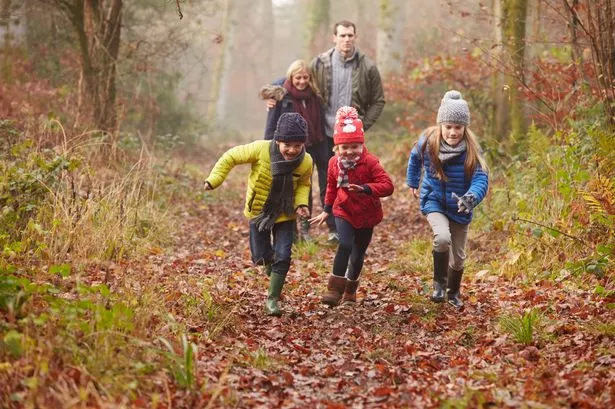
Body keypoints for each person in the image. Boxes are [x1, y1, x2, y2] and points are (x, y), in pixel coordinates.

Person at [268, 20, 386, 244]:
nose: (346, 39)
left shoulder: (367, 66)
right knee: (310, 178)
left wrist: (361, 125)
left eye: (350, 35)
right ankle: (304, 228)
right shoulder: (320, 63)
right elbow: (295, 78)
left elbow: (378, 100)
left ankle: (337, 228)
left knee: (340, 181)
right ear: (334, 38)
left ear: (355, 37)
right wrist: (274, 93)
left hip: (349, 138)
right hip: (320, 133)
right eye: (342, 35)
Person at [204, 113, 313, 316]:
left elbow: (303, 185)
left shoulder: (306, 161)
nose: (292, 150)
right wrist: (214, 179)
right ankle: (272, 269)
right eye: (287, 144)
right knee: (260, 257)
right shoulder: (260, 149)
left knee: (284, 255)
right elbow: (231, 157)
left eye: (297, 145)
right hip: (259, 212)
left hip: (286, 214)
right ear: (278, 140)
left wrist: (301, 204)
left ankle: (272, 300)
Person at [406, 90, 489, 308]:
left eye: (458, 127)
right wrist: (413, 182)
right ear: (441, 125)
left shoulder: (471, 150)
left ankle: (453, 292)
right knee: (442, 238)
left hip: (461, 206)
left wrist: (471, 197)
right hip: (434, 200)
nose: (453, 132)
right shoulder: (428, 142)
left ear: (465, 128)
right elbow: (414, 158)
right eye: (448, 126)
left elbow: (481, 179)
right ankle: (439, 287)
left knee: (459, 257)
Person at [310, 106, 394, 306]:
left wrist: (366, 188)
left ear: (361, 145)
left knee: (357, 255)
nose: (349, 151)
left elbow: (387, 186)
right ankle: (334, 289)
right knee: (345, 244)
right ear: (337, 148)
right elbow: (331, 187)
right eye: (344, 148)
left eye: (355, 147)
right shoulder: (333, 164)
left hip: (367, 213)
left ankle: (350, 290)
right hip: (343, 210)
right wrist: (326, 210)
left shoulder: (370, 162)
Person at [259, 60, 330, 242]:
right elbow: (270, 126)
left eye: (305, 77)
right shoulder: (281, 97)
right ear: (291, 77)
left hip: (312, 148)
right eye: (298, 77)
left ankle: (305, 229)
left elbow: (319, 124)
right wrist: (268, 149)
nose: (302, 81)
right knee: (288, 189)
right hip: (287, 150)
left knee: (305, 188)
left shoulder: (314, 96)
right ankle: (290, 232)